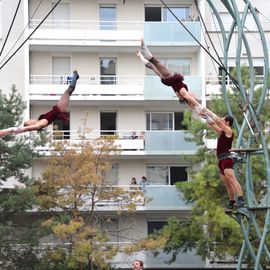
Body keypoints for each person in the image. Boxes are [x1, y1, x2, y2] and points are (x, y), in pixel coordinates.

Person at [0, 70, 79, 139]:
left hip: (57, 109)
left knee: (68, 92)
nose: (31, 120)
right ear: (30, 124)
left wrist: (12, 130)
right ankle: (75, 76)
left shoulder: (40, 121)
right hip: (58, 110)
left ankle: (75, 77)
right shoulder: (41, 123)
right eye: (29, 121)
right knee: (68, 91)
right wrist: (22, 129)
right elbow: (33, 128)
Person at [137, 38, 204, 115]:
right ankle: (140, 56)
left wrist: (199, 106)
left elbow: (189, 98)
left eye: (195, 97)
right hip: (166, 80)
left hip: (170, 79)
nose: (195, 95)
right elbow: (190, 103)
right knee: (152, 66)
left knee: (156, 62)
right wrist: (197, 108)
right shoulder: (183, 95)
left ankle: (144, 49)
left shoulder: (184, 93)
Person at [202, 109, 245, 210]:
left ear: (227, 122)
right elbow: (212, 124)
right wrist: (205, 116)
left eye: (223, 119)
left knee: (232, 180)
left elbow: (217, 122)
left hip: (226, 159)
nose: (221, 120)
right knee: (227, 183)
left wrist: (208, 112)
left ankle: (241, 199)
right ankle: (232, 201)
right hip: (221, 160)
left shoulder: (229, 131)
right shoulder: (222, 132)